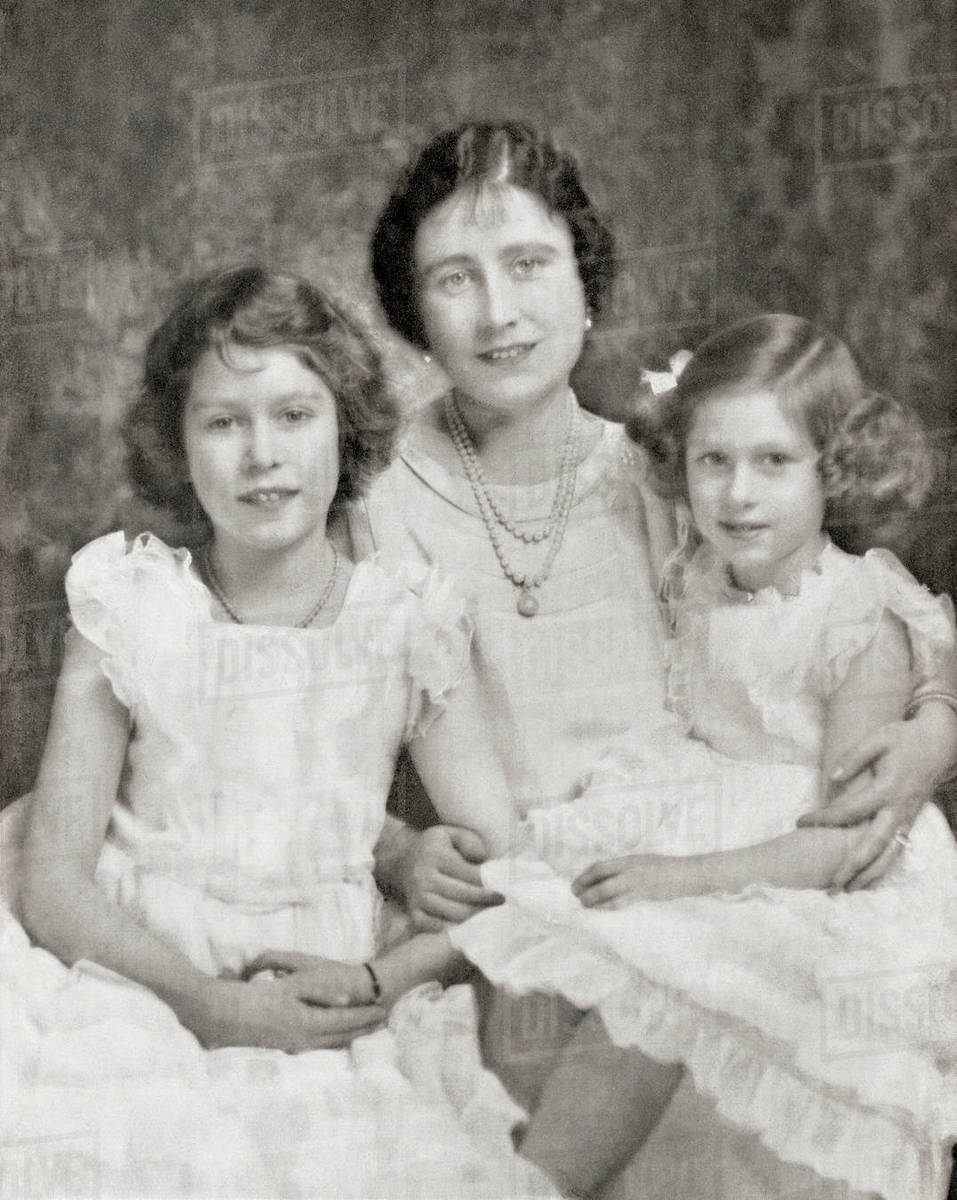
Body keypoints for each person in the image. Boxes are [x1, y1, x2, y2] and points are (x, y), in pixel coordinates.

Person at [350, 122, 957, 1196]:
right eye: (456, 278)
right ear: (413, 314)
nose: (500, 313)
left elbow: (849, 620)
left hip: (717, 889)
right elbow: (291, 729)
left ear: (586, 285)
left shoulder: (676, 471)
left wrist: (936, 725)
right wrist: (397, 847)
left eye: (530, 265)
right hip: (522, 906)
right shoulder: (371, 502)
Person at [2, 266, 555, 1198]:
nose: (263, 454)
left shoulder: (405, 624)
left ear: (346, 425)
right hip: (132, 977)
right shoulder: (130, 607)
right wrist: (206, 1005)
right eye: (224, 422)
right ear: (178, 445)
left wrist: (378, 981)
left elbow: (505, 875)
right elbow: (54, 882)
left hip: (332, 986)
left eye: (295, 415)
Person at [449, 313, 957, 1200]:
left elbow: (846, 841)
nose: (736, 496)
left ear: (831, 471)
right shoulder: (697, 571)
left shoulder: (856, 620)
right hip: (699, 806)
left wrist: (683, 876)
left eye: (773, 462)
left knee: (672, 980)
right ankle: (531, 1177)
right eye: (710, 462)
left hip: (818, 876)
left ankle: (536, 1183)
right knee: (569, 938)